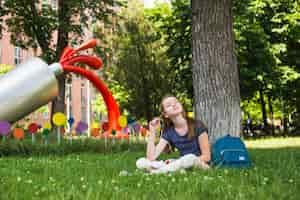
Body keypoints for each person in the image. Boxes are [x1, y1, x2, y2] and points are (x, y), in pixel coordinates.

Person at [136, 95, 211, 173]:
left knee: (190, 158)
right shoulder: (169, 131)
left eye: (176, 102)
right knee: (140, 162)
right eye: (169, 105)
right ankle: (168, 170)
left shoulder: (197, 125)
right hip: (181, 165)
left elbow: (207, 157)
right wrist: (152, 131)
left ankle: (157, 172)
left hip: (201, 165)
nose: (174, 105)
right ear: (166, 114)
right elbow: (151, 158)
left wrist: (180, 162)